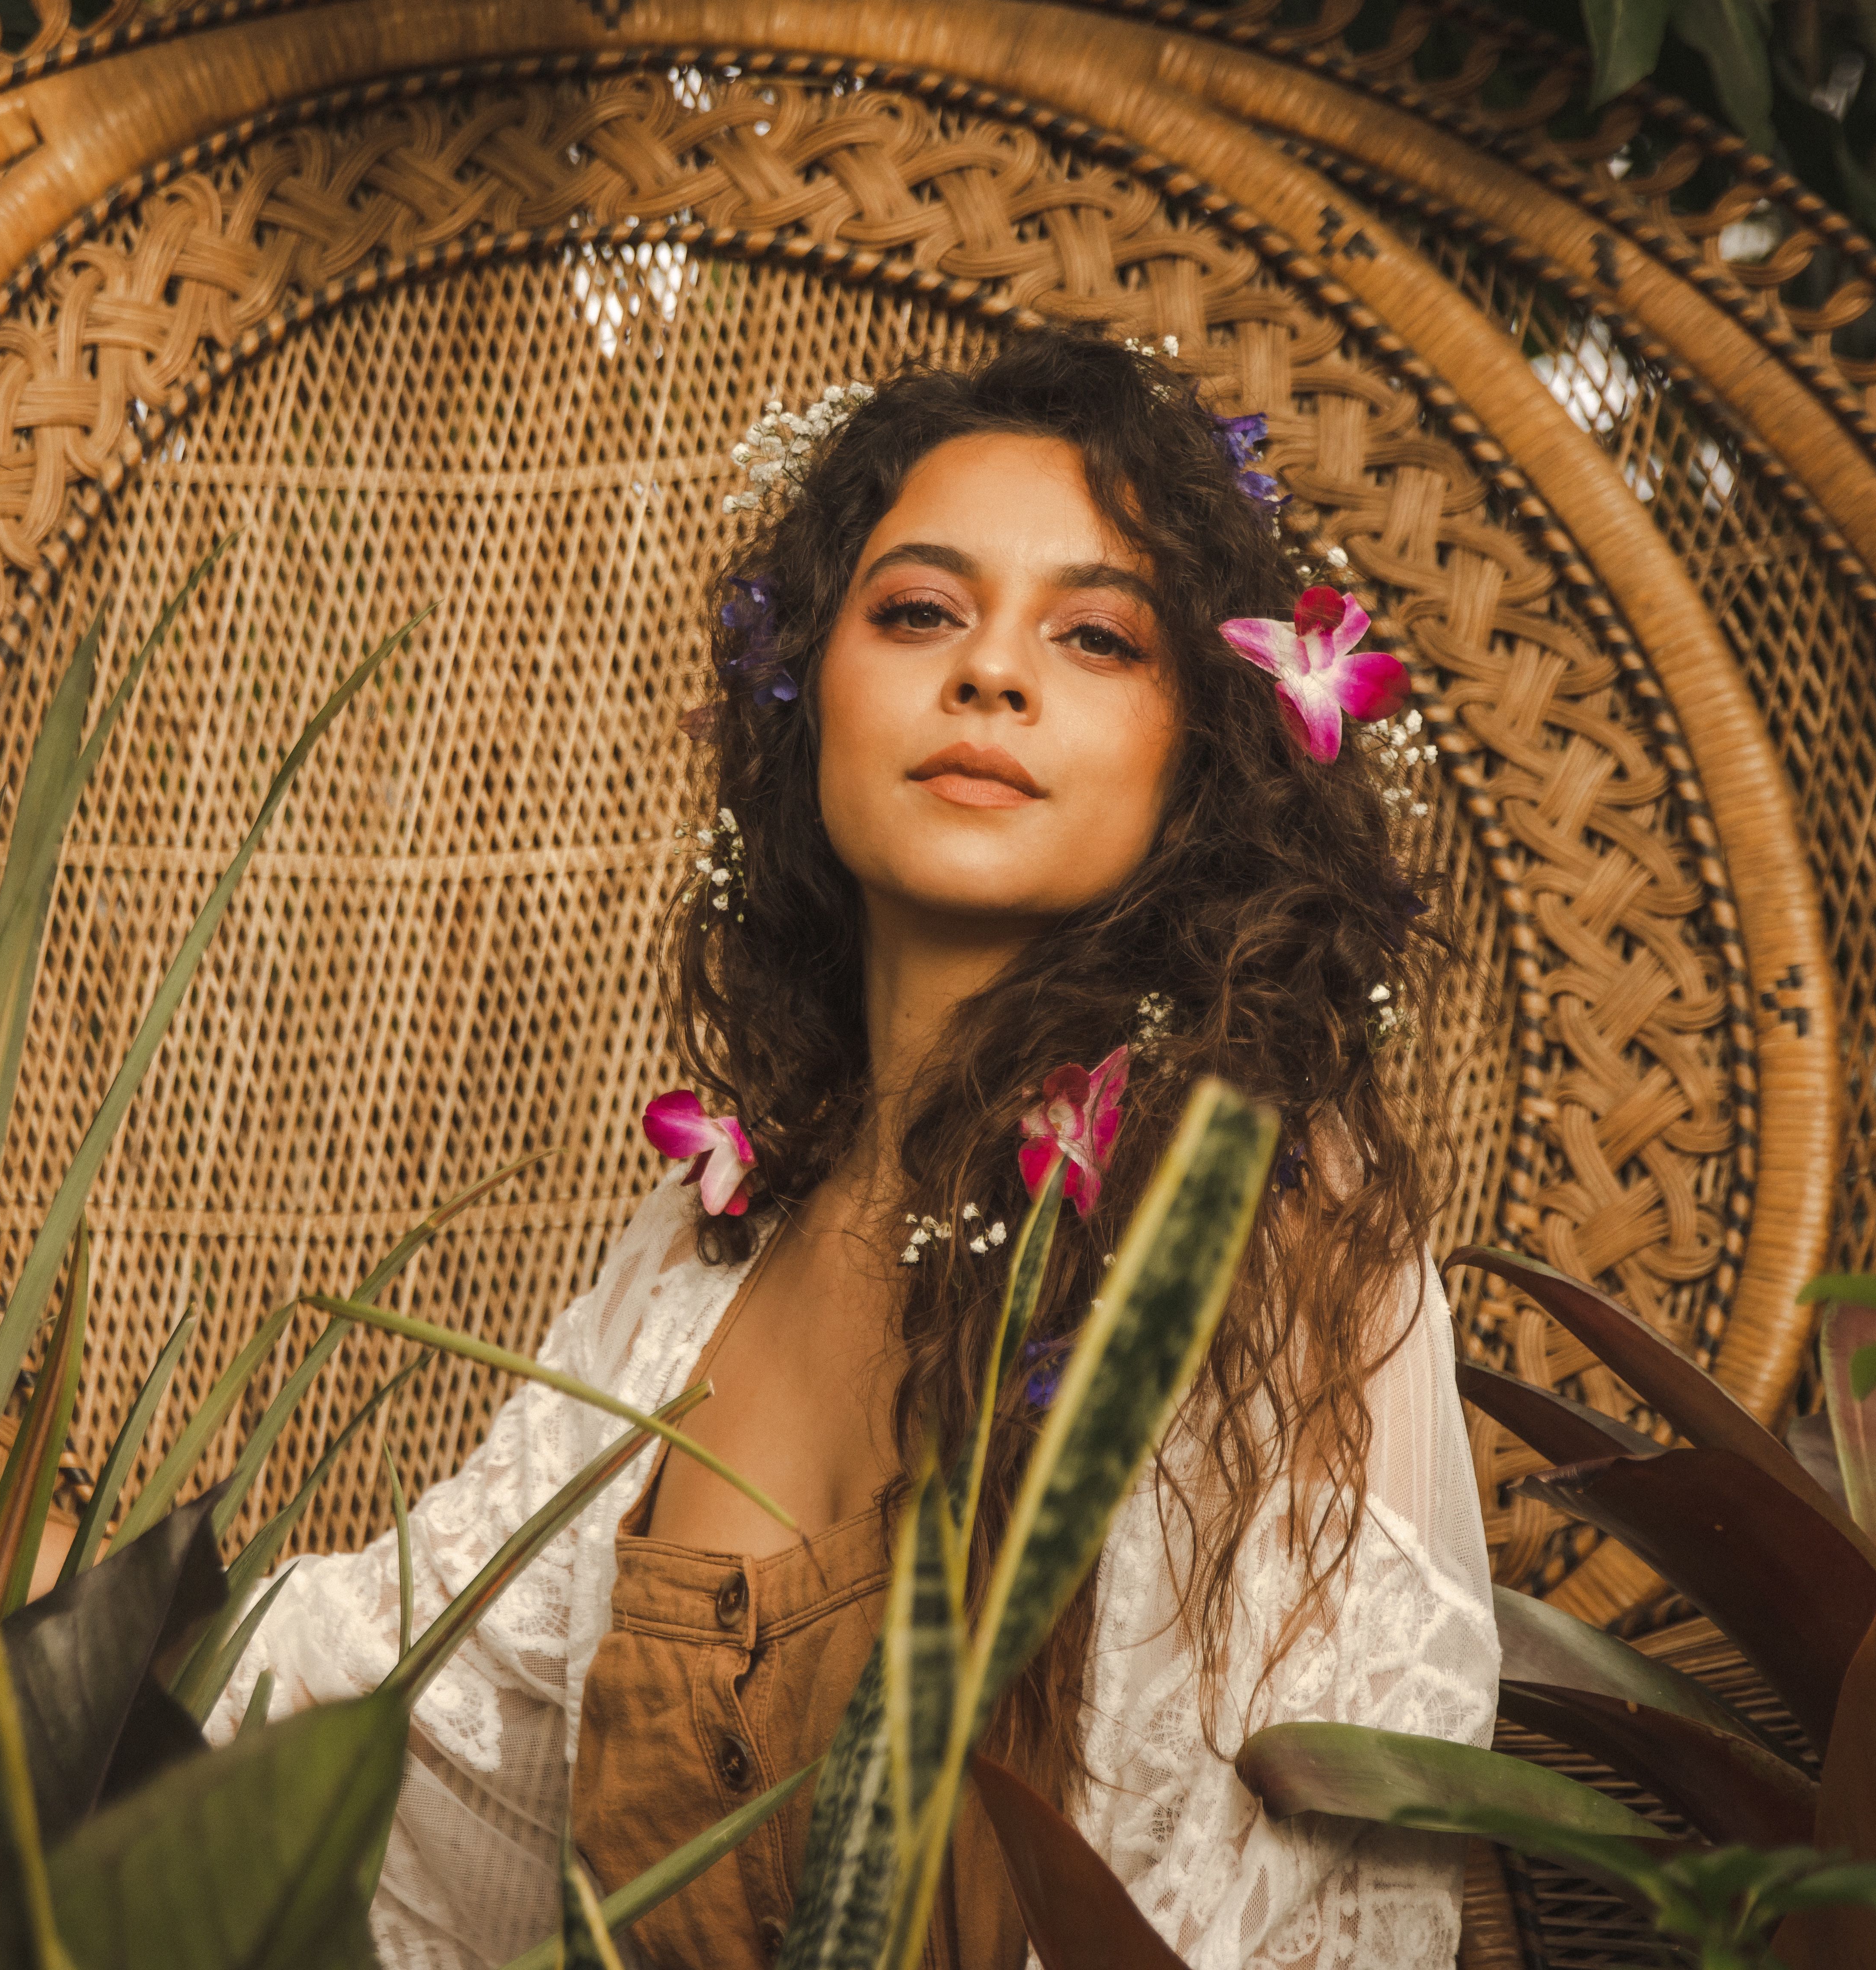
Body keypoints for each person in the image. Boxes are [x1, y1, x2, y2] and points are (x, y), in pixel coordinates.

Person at [200, 328, 1499, 1970]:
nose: (990, 675)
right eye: (919, 612)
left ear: (1205, 760)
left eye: (1095, 636)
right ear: (807, 695)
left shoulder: (1252, 1230)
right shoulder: (703, 1251)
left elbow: (1292, 1923)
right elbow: (373, 1701)